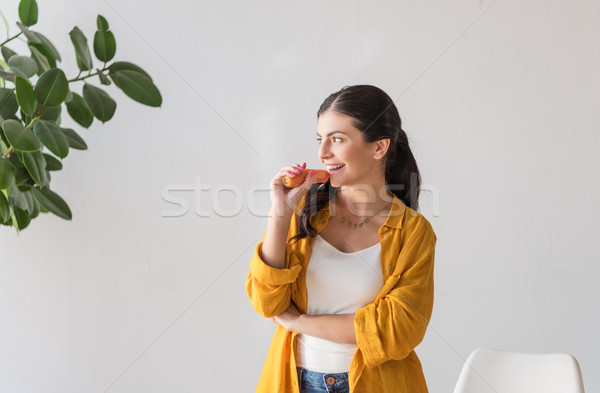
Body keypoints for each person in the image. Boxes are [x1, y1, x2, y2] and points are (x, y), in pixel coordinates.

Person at [246, 85, 437, 393]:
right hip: (294, 381)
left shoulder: (413, 232)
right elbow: (268, 303)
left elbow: (399, 328)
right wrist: (280, 213)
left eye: (337, 139)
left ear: (379, 148)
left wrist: (298, 322)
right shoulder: (303, 215)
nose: (323, 153)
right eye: (320, 139)